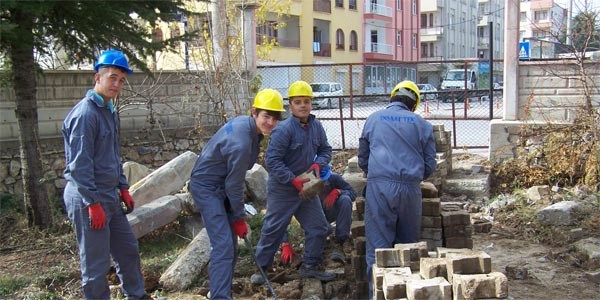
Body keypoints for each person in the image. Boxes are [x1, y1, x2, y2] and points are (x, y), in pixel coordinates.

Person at [62, 49, 148, 300]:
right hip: (87, 197)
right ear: (97, 78)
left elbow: (112, 154)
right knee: (96, 265)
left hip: (109, 195)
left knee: (128, 251)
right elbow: (79, 166)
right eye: (112, 77)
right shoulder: (85, 115)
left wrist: (123, 187)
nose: (117, 84)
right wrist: (93, 204)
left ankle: (137, 295)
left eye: (121, 80)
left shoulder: (109, 110)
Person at [188, 88, 285, 300]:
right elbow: (234, 183)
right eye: (266, 116)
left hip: (219, 186)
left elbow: (231, 181)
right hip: (207, 188)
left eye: (275, 117)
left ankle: (220, 290)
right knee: (223, 244)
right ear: (254, 113)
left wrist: (235, 214)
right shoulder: (242, 142)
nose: (270, 122)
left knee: (229, 244)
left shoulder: (250, 129)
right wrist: (238, 217)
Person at [251, 80, 336, 284]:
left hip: (307, 186)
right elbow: (271, 161)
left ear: (311, 103)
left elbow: (325, 149)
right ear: (291, 106)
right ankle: (262, 269)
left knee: (318, 227)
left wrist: (319, 164)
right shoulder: (284, 130)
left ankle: (310, 266)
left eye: (306, 101)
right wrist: (292, 180)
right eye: (298, 102)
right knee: (274, 228)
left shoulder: (316, 127)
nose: (303, 105)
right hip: (283, 189)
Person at [357, 80, 437, 299]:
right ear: (413, 104)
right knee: (408, 250)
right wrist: (414, 177)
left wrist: (374, 173)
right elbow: (430, 163)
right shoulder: (422, 124)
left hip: (380, 187)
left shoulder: (373, 119)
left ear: (392, 98)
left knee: (378, 251)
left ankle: (378, 295)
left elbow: (362, 157)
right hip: (410, 190)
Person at [279, 168, 356, 264]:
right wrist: (285, 243)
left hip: (330, 211)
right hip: (315, 220)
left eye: (326, 182)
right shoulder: (304, 188)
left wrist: (338, 192)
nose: (324, 185)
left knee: (345, 200)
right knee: (325, 230)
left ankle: (342, 241)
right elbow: (282, 216)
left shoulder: (334, 179)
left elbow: (353, 193)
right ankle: (318, 248)